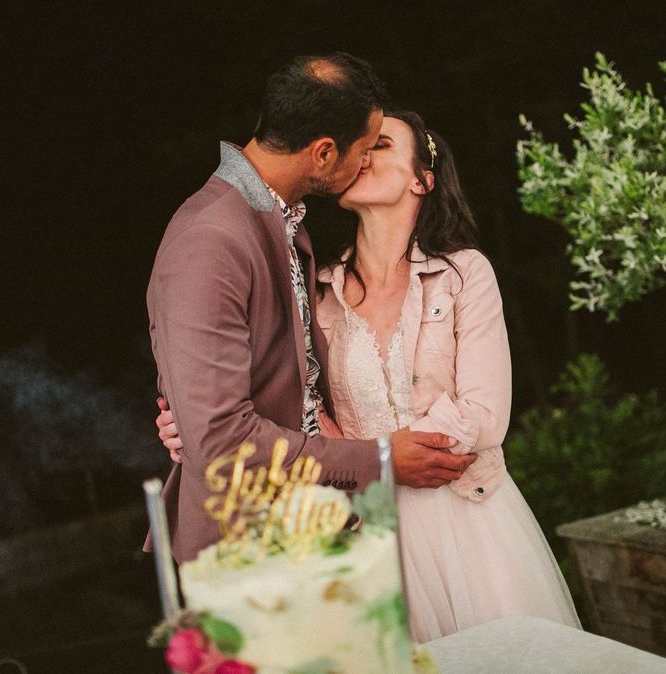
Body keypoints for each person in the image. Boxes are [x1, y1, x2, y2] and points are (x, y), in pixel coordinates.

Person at [158, 111, 580, 642]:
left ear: (421, 179)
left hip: (465, 518)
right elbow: (286, 396)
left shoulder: (463, 273)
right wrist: (193, 424)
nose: (363, 155)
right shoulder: (319, 290)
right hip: (364, 523)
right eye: (364, 145)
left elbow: (485, 416)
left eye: (380, 145)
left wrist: (386, 451)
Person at [146, 53, 472, 564]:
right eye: (363, 151)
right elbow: (225, 445)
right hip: (251, 554)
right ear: (323, 153)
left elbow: (293, 387)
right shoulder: (210, 239)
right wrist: (382, 459)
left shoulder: (283, 223)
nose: (365, 163)